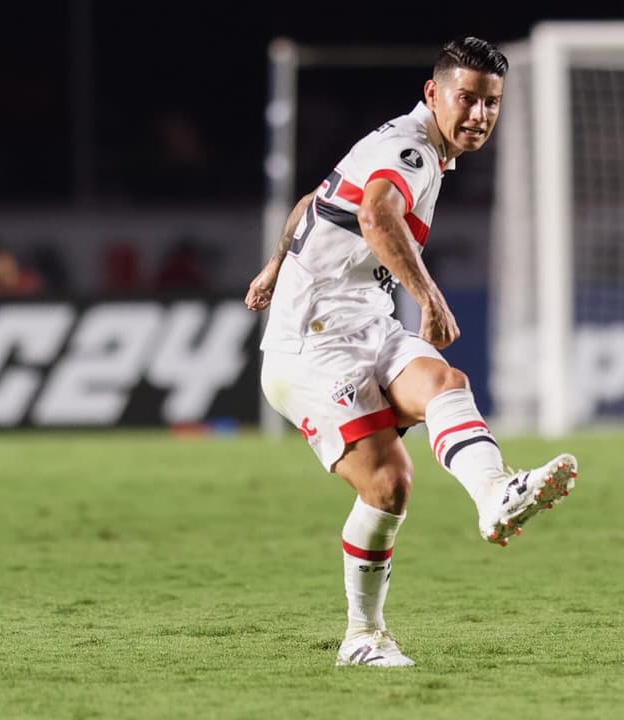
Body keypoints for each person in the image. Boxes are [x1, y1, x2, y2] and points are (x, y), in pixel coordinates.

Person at [244, 37, 578, 668]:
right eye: (467, 99)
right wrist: (430, 296)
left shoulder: (407, 143)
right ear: (433, 94)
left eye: (491, 104)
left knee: (444, 381)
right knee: (390, 483)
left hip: (367, 324)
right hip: (310, 346)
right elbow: (374, 213)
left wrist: (272, 264)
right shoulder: (411, 150)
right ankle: (362, 638)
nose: (479, 115)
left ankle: (495, 494)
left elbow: (313, 202)